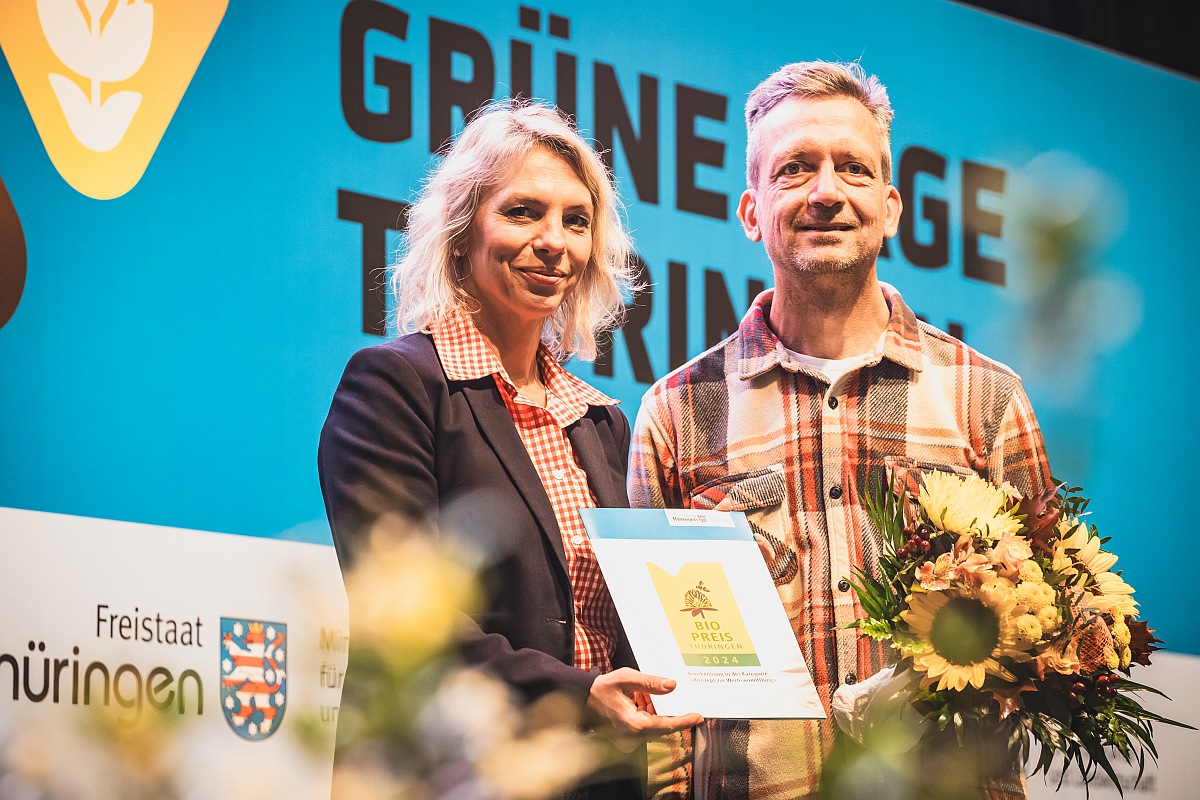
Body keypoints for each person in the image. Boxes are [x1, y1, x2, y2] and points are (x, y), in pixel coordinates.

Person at [628, 62, 1053, 799]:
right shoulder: (675, 415)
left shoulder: (988, 400)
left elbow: (1052, 643)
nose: (827, 191)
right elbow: (656, 692)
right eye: (795, 169)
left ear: (890, 208)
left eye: (852, 168)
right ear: (751, 211)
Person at [319, 100, 702, 798]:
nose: (554, 240)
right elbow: (409, 619)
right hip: (452, 774)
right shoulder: (397, 386)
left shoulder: (600, 420)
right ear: (462, 233)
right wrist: (578, 694)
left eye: (575, 220)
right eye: (523, 212)